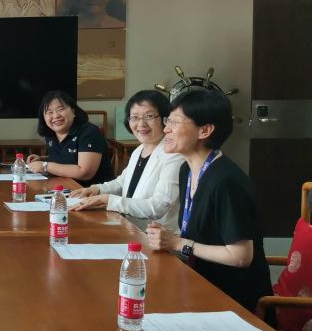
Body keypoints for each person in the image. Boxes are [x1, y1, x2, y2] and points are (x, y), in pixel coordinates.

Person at [145, 89, 271, 312]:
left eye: (175, 122)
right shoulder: (187, 170)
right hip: (197, 282)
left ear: (204, 130)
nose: (166, 129)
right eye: (167, 121)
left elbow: (240, 256)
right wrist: (170, 239)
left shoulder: (226, 182)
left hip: (233, 300)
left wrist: (177, 243)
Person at [70, 90, 184, 228]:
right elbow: (122, 182)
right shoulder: (139, 150)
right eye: (134, 117)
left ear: (165, 119)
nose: (141, 124)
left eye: (149, 116)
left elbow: (159, 206)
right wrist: (96, 189)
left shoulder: (174, 155)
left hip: (157, 234)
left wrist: (109, 200)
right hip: (132, 227)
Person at [26, 90, 114, 187]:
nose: (55, 116)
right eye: (49, 112)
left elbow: (85, 173)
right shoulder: (51, 134)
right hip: (64, 188)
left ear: (73, 111)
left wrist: (45, 166)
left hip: (93, 192)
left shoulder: (89, 132)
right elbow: (66, 158)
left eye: (60, 109)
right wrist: (43, 159)